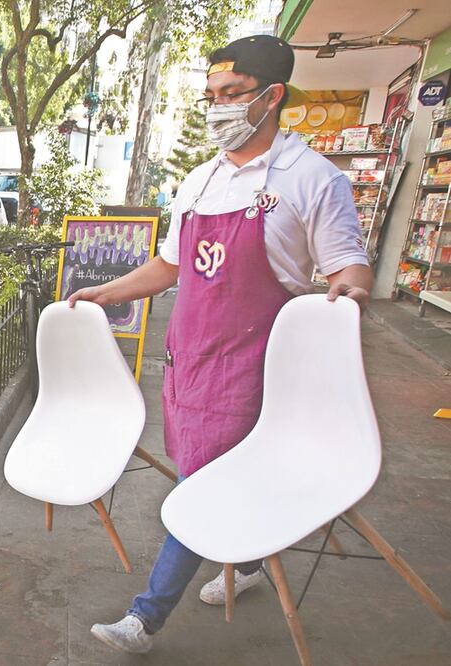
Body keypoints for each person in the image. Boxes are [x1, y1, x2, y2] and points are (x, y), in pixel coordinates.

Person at [68, 35, 373, 654]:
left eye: (232, 95)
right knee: (205, 472)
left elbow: (350, 266)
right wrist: (108, 291)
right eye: (211, 96)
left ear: (272, 96)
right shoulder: (199, 181)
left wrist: (345, 297)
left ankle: (145, 618)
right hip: (189, 362)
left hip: (253, 365)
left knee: (199, 487)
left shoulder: (312, 179)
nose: (218, 108)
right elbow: (170, 267)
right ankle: (253, 560)